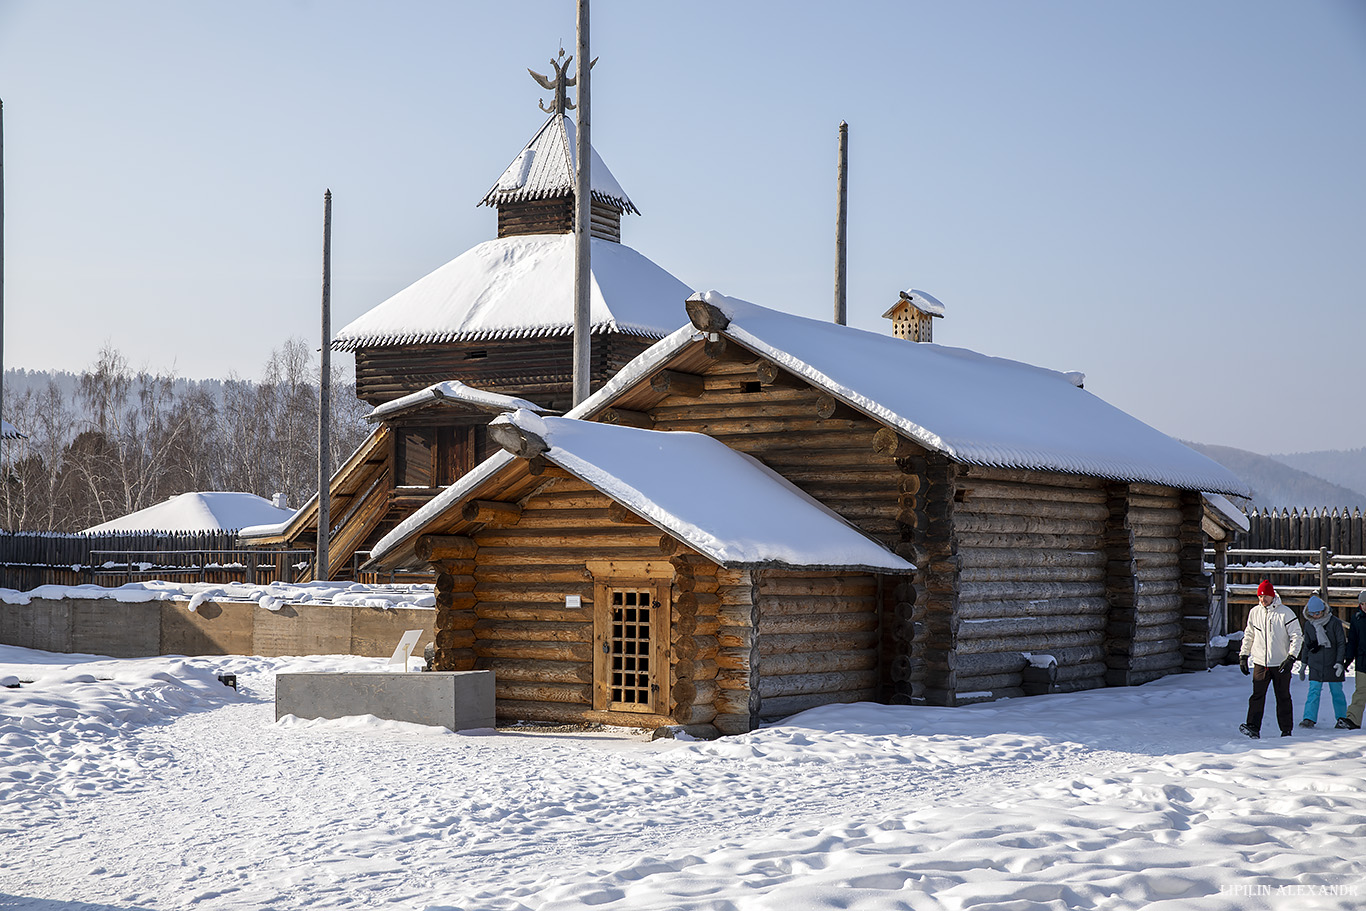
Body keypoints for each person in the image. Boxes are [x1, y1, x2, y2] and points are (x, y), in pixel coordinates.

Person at [1238, 580, 1303, 738]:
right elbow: (1249, 635)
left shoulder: (1285, 613)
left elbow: (1297, 636)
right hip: (1261, 663)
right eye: (1260, 596)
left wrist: (1291, 657)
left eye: (1265, 596)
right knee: (1257, 696)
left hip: (1281, 663)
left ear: (1272, 595)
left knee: (1283, 697)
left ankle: (1286, 730)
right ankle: (1253, 727)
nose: (1262, 599)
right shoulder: (1255, 612)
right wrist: (1243, 655)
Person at [1296, 592, 1346, 728]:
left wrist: (1340, 662)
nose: (1316, 615)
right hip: (1316, 663)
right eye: (1314, 613)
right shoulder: (1309, 625)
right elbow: (1307, 644)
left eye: (1319, 612)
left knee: (1337, 692)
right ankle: (1309, 718)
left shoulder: (1334, 622)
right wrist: (1303, 663)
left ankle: (1342, 718)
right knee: (1313, 691)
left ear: (1324, 610)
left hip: (1332, 663)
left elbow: (1341, 643)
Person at [1341, 591, 1366, 730]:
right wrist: (1348, 659)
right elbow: (1352, 641)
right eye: (1362, 604)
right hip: (1362, 662)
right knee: (1360, 692)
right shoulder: (1357, 618)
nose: (1364, 606)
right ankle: (1353, 719)